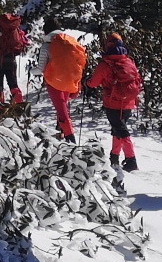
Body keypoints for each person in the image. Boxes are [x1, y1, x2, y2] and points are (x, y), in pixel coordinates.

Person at [85, 32, 143, 172]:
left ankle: (131, 160)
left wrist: (86, 81)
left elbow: (93, 83)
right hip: (128, 102)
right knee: (118, 130)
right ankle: (114, 157)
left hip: (113, 104)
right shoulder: (128, 62)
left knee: (122, 131)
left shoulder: (105, 65)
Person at [0, 9, 29, 115]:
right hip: (11, 59)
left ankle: (0, 110)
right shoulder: (13, 25)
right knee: (13, 84)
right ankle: (20, 108)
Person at [42, 30, 87, 140]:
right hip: (69, 79)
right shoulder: (69, 43)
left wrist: (33, 71)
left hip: (54, 81)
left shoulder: (47, 45)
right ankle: (61, 132)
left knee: (61, 109)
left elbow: (40, 68)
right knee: (63, 107)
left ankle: (70, 136)